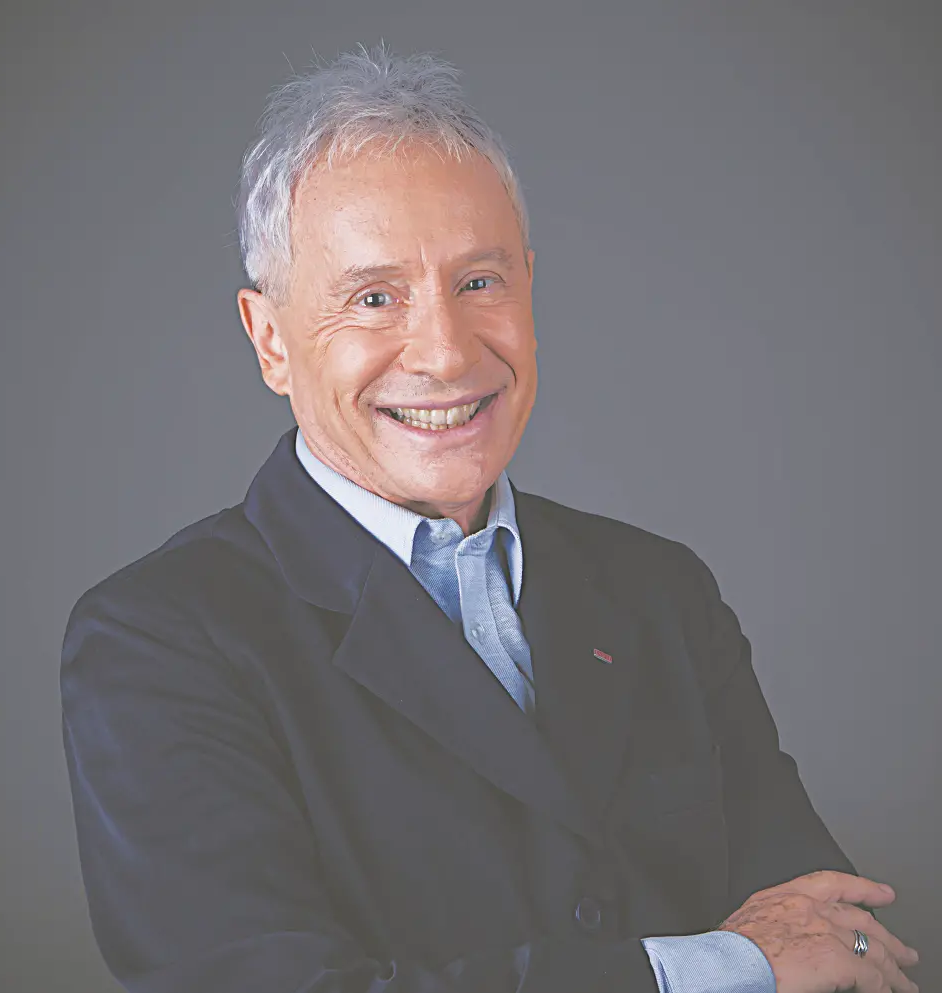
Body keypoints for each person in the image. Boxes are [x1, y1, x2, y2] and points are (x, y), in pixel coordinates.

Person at [60, 45, 919, 993]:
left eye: (479, 282)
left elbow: (834, 944)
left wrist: (813, 955)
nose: (444, 351)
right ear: (270, 339)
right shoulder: (160, 640)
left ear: (529, 287)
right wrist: (715, 967)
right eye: (375, 298)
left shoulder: (661, 590)